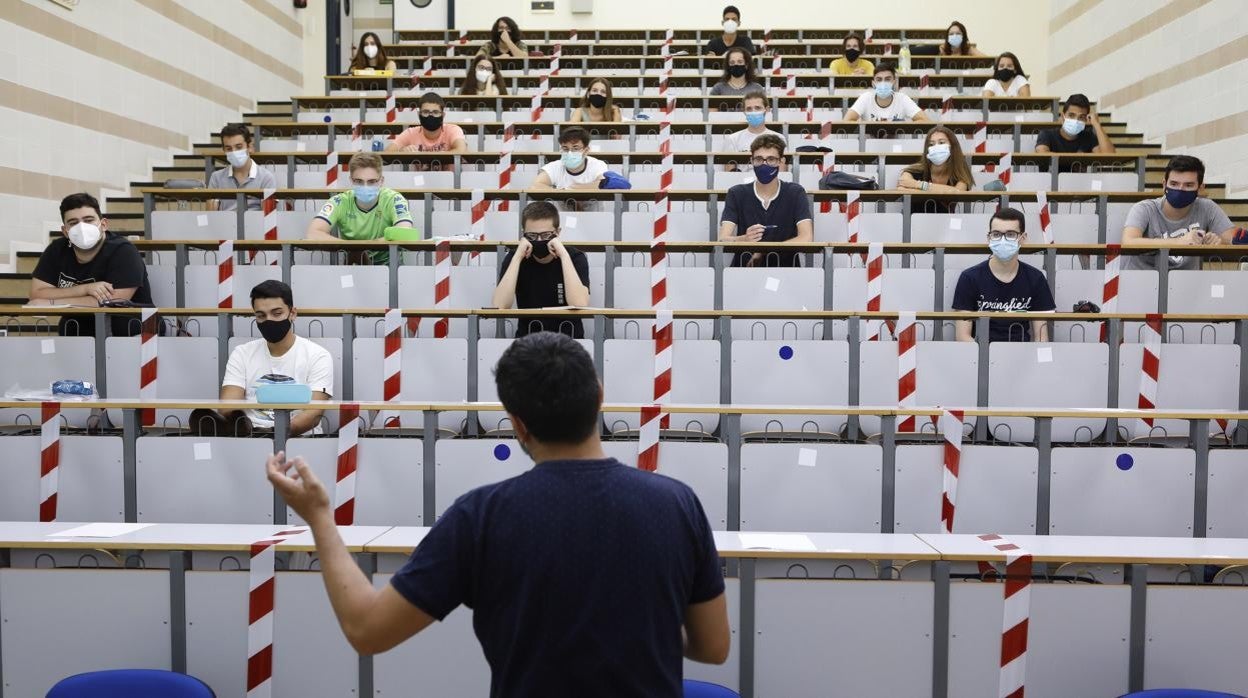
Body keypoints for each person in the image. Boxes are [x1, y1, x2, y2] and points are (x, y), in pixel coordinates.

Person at [265, 331, 729, 695]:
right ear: (599, 397)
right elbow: (714, 647)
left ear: (517, 424)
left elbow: (367, 630)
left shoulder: (480, 516)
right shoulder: (677, 503)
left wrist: (320, 518)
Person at [189, 281, 332, 438]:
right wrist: (250, 434)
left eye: (277, 313)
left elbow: (314, 413)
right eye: (261, 315)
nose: (269, 320)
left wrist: (273, 434)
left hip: (299, 439)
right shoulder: (242, 353)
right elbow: (228, 406)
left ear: (292, 313)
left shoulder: (318, 356)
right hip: (249, 437)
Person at [29, 193, 156, 337]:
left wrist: (52, 303)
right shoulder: (57, 250)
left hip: (136, 332)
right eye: (73, 223)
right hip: (80, 331)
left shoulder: (124, 251)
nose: (82, 227)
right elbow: (37, 294)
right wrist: (85, 288)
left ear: (104, 224)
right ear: (65, 231)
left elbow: (112, 302)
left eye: (88, 220)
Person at [952, 207, 1055, 342]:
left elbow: (1041, 337)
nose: (1002, 240)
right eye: (996, 234)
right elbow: (962, 336)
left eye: (1010, 234)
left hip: (1022, 353)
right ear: (989, 238)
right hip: (982, 352)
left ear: (1023, 238)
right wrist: (988, 354)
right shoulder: (969, 278)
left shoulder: (1036, 279)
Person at [492, 201, 591, 338]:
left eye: (546, 235)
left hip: (569, 341)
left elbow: (579, 303)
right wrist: (517, 257)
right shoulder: (515, 257)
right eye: (532, 236)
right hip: (527, 341)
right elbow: (499, 305)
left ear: (558, 233)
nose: (539, 240)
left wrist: (563, 255)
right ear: (523, 234)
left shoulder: (575, 257)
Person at [1122, 155, 1235, 271]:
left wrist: (1218, 241)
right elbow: (1128, 241)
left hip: (1187, 280)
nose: (1180, 189)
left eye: (1188, 185)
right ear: (1164, 185)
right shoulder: (1144, 208)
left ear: (1200, 188)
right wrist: (1179, 241)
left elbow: (1235, 239)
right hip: (1143, 279)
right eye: (1174, 184)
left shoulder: (1207, 208)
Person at [718, 133, 813, 267]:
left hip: (786, 270)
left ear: (781, 161)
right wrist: (744, 239)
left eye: (771, 159)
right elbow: (722, 239)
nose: (764, 164)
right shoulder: (736, 193)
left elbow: (806, 238)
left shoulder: (795, 192)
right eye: (758, 159)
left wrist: (764, 251)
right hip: (744, 270)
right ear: (751, 161)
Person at [305, 152, 414, 265]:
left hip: (390, 267)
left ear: (381, 181)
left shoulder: (394, 199)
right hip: (354, 265)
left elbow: (405, 231)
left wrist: (364, 246)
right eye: (359, 181)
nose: (365, 186)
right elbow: (313, 233)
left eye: (372, 181)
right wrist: (352, 248)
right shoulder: (339, 201)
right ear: (351, 180)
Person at [898, 125, 975, 213]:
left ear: (952, 146)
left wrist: (917, 185)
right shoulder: (915, 170)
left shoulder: (960, 171)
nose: (936, 147)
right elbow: (901, 188)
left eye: (941, 143)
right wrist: (943, 191)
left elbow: (957, 192)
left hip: (945, 220)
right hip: (913, 219)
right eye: (931, 144)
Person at [207, 123, 277, 211]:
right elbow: (211, 214)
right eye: (229, 149)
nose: (234, 152)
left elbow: (269, 215)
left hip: (254, 220)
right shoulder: (216, 177)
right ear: (224, 150)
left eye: (239, 147)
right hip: (225, 219)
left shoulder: (266, 178)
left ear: (249, 147)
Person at [845, 63, 930, 122]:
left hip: (897, 143)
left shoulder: (902, 98)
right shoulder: (865, 97)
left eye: (887, 79)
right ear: (873, 83)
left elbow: (925, 120)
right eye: (879, 80)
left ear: (894, 82)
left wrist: (903, 124)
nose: (883, 83)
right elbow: (847, 120)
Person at [386, 93, 469, 153]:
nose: (430, 116)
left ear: (443, 115)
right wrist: (402, 151)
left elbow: (462, 150)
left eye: (435, 112)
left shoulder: (453, 130)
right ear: (419, 115)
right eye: (426, 112)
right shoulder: (410, 133)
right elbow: (387, 154)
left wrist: (443, 155)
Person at [1035, 93, 1116, 155]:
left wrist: (1096, 124)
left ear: (1086, 119)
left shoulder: (1089, 137)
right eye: (1071, 115)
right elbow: (1042, 153)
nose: (1076, 120)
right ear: (1062, 117)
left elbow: (1109, 156)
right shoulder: (1047, 134)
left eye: (1081, 117)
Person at [530, 126, 608, 190]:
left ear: (586, 150)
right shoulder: (555, 166)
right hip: (562, 205)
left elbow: (603, 184)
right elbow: (535, 186)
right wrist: (560, 192)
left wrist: (570, 189)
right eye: (565, 148)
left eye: (575, 148)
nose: (570, 153)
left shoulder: (598, 165)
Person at [721, 90, 784, 163]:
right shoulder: (733, 139)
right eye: (749, 109)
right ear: (744, 112)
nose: (753, 111)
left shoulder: (779, 138)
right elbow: (729, 168)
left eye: (758, 108)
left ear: (767, 109)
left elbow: (782, 168)